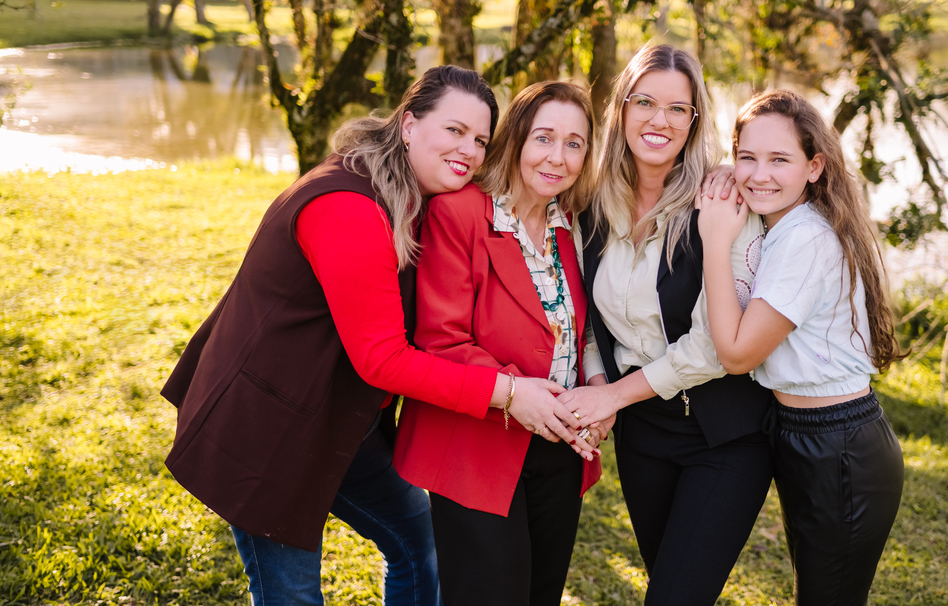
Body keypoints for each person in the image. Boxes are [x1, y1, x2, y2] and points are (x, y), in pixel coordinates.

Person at [160, 65, 586, 606]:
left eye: (481, 139)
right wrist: (508, 393)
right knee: (292, 594)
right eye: (454, 130)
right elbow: (383, 360)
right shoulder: (348, 208)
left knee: (419, 545)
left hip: (345, 422)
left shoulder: (417, 197)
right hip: (272, 431)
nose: (471, 151)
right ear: (408, 125)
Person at [555, 44, 773, 606]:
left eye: (679, 108)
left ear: (696, 120)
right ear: (621, 110)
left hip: (724, 436)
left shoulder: (723, 203)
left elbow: (714, 346)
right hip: (644, 436)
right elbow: (581, 317)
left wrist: (612, 399)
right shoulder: (590, 206)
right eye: (645, 102)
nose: (660, 120)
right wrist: (600, 386)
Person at [394, 81, 603, 606]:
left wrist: (599, 392)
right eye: (544, 138)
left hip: (559, 444)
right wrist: (518, 391)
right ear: (515, 141)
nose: (558, 157)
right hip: (477, 444)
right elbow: (440, 340)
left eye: (574, 143)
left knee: (541, 593)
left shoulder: (572, 226)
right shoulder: (459, 214)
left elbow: (585, 331)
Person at [696, 88, 906, 606]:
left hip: (839, 446)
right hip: (802, 434)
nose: (759, 174)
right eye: (747, 157)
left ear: (814, 167)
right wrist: (729, 172)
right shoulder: (786, 223)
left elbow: (738, 354)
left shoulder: (805, 239)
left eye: (779, 160)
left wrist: (714, 241)